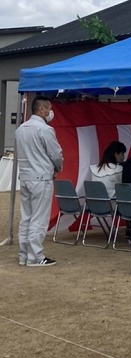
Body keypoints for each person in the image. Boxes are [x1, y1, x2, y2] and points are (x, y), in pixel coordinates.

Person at [15, 95, 64, 267]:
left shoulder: (20, 129)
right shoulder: (45, 130)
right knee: (39, 219)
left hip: (26, 177)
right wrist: (58, 168)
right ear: (42, 110)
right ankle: (35, 256)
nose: (51, 112)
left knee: (26, 218)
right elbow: (56, 154)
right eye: (49, 108)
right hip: (41, 177)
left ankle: (24, 255)